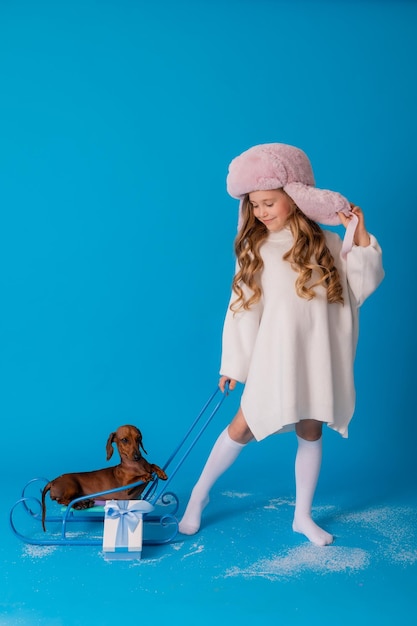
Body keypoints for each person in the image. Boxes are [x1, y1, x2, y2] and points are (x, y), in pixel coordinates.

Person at [179, 143, 384, 546]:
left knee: (311, 429)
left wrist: (356, 234)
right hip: (276, 358)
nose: (261, 212)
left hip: (317, 357)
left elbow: (361, 284)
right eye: (254, 205)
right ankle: (198, 496)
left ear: (293, 197)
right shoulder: (255, 249)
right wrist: (233, 365)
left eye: (269, 202)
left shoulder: (326, 244)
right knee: (242, 427)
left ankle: (302, 516)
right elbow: (242, 307)